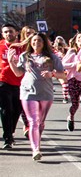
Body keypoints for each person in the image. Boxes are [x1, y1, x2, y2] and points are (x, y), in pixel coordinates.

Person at [10, 32, 67, 160]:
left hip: (46, 94)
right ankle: (36, 150)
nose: (36, 43)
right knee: (33, 121)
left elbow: (63, 75)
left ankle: (37, 142)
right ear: (30, 42)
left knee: (40, 123)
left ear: (44, 43)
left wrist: (52, 74)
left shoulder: (52, 57)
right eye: (34, 41)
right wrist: (11, 62)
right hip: (28, 92)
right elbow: (18, 73)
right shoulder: (25, 56)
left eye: (39, 41)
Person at [0, 22, 25, 149]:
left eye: (11, 31)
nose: (8, 34)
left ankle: (11, 132)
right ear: (2, 34)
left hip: (21, 82)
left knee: (17, 110)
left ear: (16, 33)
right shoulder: (0, 46)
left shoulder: (22, 47)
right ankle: (7, 138)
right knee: (6, 109)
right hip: (3, 82)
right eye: (6, 32)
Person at [61, 33, 81, 132]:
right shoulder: (72, 51)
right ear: (76, 41)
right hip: (73, 79)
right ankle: (71, 117)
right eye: (79, 38)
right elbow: (63, 64)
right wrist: (76, 64)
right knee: (75, 103)